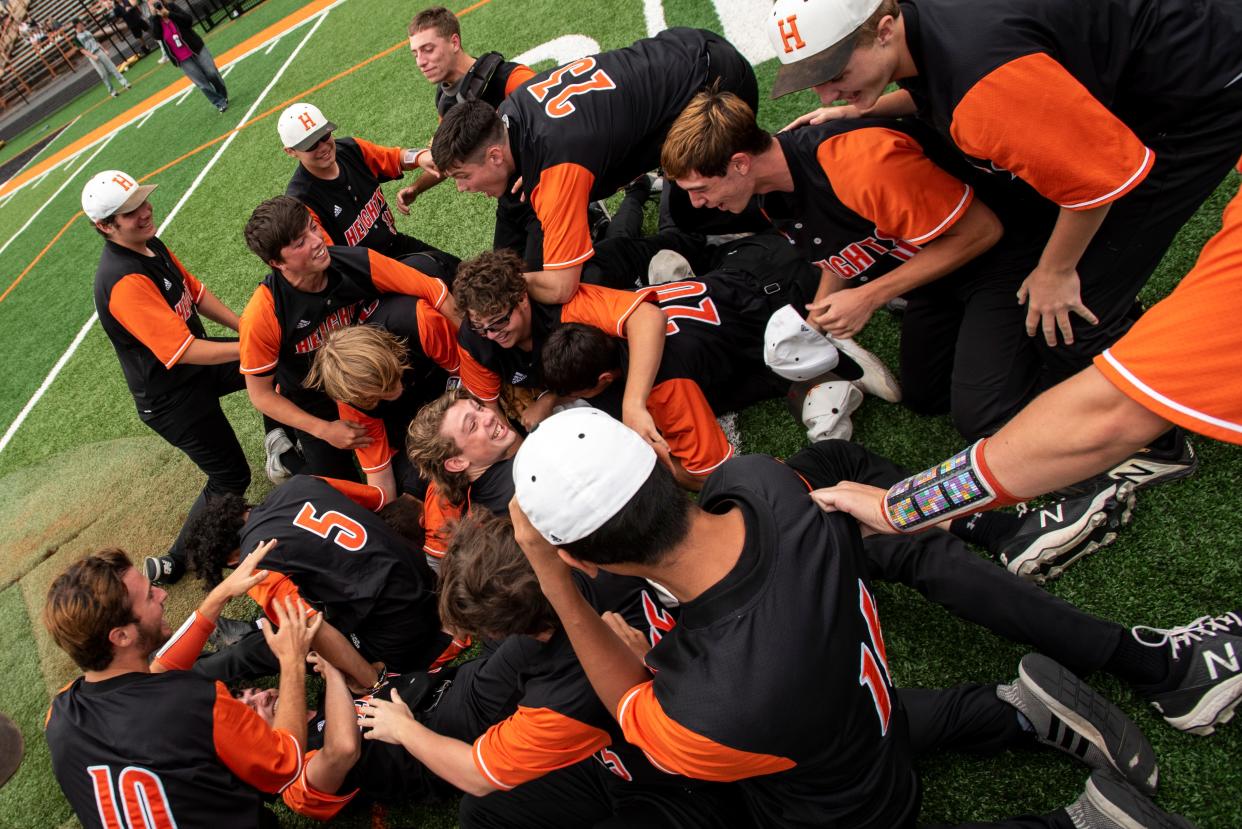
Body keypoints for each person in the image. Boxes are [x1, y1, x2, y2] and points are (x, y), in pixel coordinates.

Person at [505, 407, 1194, 828]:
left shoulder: (710, 708)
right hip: (863, 703)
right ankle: (1011, 708)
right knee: (834, 719)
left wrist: (554, 581)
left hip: (854, 797)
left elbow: (631, 706)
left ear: (585, 559)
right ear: (657, 455)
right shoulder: (759, 482)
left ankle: (1079, 822)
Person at [772, 0, 1242, 464]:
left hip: (1203, 91)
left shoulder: (981, 78)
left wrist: (1055, 271)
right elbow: (944, 83)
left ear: (885, 29)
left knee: (1072, 312)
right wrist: (866, 109)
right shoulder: (926, 36)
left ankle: (1158, 445)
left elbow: (1102, 179)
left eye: (835, 76)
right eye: (817, 80)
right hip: (1158, 54)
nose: (826, 96)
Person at [662, 89, 1060, 438]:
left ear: (740, 163)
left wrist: (870, 296)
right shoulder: (769, 187)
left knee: (981, 416)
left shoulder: (857, 162)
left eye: (701, 189)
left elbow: (981, 232)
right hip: (935, 273)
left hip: (999, 255)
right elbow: (835, 247)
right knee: (927, 395)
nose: (699, 203)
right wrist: (816, 317)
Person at [359, 510, 751, 828]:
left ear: (497, 630)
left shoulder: (560, 699)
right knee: (483, 814)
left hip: (686, 783)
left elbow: (475, 774)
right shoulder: (609, 552)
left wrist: (402, 727)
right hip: (626, 753)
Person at [430, 26, 759, 303]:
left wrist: (509, 282)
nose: (463, 187)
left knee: (697, 212)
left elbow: (562, 287)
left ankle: (783, 203)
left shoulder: (556, 168)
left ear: (495, 157)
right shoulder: (511, 112)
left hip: (714, 87)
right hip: (684, 46)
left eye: (463, 176)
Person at [83, 170, 273, 587]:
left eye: (141, 202)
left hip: (194, 369)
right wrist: (252, 347)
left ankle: (284, 444)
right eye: (130, 212)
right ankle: (175, 560)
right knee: (230, 478)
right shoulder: (123, 280)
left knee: (270, 366)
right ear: (105, 226)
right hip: (173, 397)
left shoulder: (149, 244)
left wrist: (246, 328)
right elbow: (182, 351)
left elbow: (196, 294)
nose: (145, 212)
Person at [43, 544, 320, 828]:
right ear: (122, 636)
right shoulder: (194, 702)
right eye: (150, 596)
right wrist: (292, 661)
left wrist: (220, 595)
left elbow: (152, 675)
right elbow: (285, 763)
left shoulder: (60, 717)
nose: (162, 594)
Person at [239, 195, 459, 481]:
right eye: (299, 243)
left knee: (413, 302)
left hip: (368, 371)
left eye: (312, 228)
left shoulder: (353, 260)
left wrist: (477, 352)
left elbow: (434, 290)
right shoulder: (262, 314)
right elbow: (260, 395)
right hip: (317, 401)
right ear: (277, 263)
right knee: (333, 485)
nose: (317, 241)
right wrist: (323, 429)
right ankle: (286, 454)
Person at [182, 474, 453, 683]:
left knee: (276, 644)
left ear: (232, 561)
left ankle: (190, 675)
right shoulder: (301, 482)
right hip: (430, 582)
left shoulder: (255, 561)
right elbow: (376, 499)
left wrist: (369, 680)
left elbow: (313, 631)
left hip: (402, 630)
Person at [451, 248, 668, 446]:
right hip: (569, 388)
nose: (490, 334)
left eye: (499, 321)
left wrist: (633, 403)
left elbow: (648, 318)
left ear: (522, 300)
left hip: (611, 371)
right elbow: (488, 406)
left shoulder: (565, 309)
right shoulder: (474, 339)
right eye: (480, 326)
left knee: (643, 437)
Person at [397, 5, 536, 256]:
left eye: (428, 49)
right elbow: (450, 157)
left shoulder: (508, 77)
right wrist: (417, 188)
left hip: (544, 188)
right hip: (510, 201)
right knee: (506, 276)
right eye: (415, 53)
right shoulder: (446, 100)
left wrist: (541, 168)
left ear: (454, 42)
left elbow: (560, 118)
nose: (420, 61)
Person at [278, 102, 459, 268]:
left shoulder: (351, 149)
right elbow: (329, 262)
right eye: (310, 145)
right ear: (291, 151)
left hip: (395, 246)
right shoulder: (301, 202)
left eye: (324, 135)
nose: (322, 146)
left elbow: (394, 157)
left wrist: (419, 156)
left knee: (457, 269)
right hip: (366, 279)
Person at [305, 324, 460, 502]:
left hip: (454, 399)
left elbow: (472, 374)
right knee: (416, 483)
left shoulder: (420, 325)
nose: (392, 392)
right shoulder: (353, 405)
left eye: (391, 378)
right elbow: (381, 479)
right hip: (412, 441)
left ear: (391, 352)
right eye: (376, 395)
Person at [406, 390, 520, 567]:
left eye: (479, 408)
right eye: (473, 425)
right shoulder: (526, 476)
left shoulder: (472, 509)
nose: (489, 415)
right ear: (457, 462)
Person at [149, 0, 228, 112]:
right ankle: (219, 102)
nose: (154, 4)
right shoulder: (153, 19)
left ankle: (223, 95)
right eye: (150, 3)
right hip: (181, 57)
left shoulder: (171, 7)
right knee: (201, 82)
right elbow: (156, 35)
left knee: (212, 73)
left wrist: (169, 14)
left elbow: (188, 21)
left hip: (196, 47)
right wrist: (154, 17)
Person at [72, 18, 131, 98]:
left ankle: (125, 83)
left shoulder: (87, 32)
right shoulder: (76, 38)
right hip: (92, 55)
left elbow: (96, 42)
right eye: (80, 23)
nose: (82, 24)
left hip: (99, 51)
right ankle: (112, 91)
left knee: (112, 67)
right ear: (76, 25)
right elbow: (82, 50)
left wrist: (104, 49)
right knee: (103, 74)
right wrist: (92, 56)